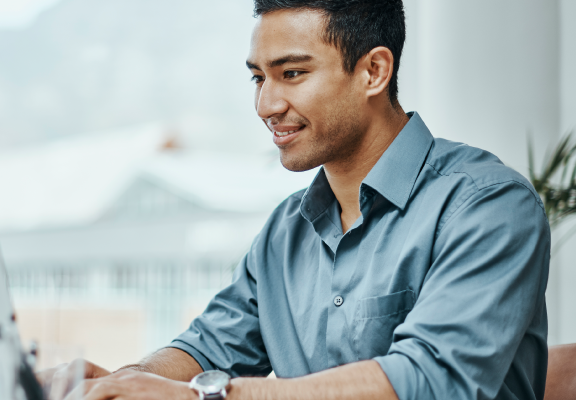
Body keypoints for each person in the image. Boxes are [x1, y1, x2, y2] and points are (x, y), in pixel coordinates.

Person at [51, 0, 550, 399]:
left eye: (291, 74)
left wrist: (202, 397)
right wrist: (126, 380)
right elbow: (206, 350)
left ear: (373, 71)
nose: (266, 104)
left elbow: (429, 381)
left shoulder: (488, 206)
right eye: (258, 77)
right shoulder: (284, 231)